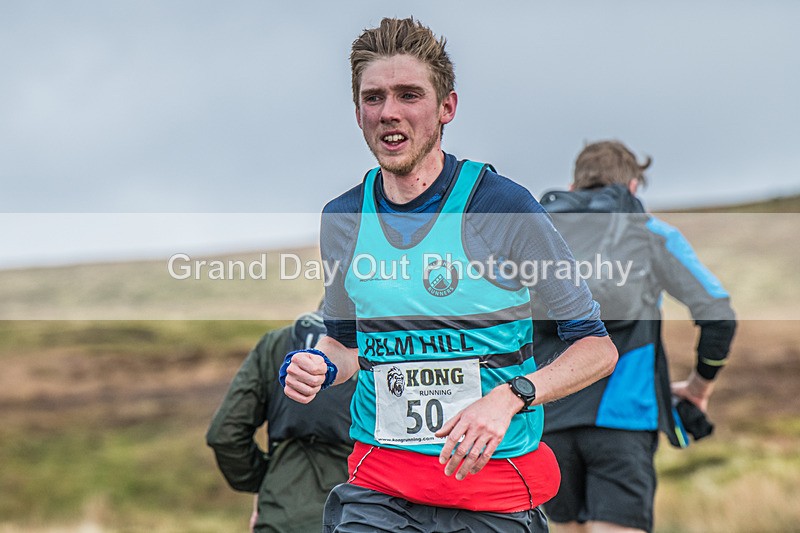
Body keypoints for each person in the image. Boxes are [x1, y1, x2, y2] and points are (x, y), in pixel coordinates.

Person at [280, 17, 618, 533]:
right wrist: (317, 365)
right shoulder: (343, 218)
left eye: (409, 94)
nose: (389, 112)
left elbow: (596, 348)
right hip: (379, 491)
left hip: (492, 493)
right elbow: (345, 344)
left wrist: (511, 396)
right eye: (374, 98)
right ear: (357, 114)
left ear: (446, 108)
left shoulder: (501, 207)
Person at [532, 140, 737, 533]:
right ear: (632, 188)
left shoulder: (538, 237)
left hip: (547, 419)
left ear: (574, 186)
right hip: (625, 417)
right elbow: (718, 315)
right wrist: (699, 387)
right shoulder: (648, 233)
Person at [206, 310, 356, 533]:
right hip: (355, 514)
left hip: (279, 517)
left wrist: (267, 483)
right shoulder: (388, 348)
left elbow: (225, 434)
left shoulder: (276, 344)